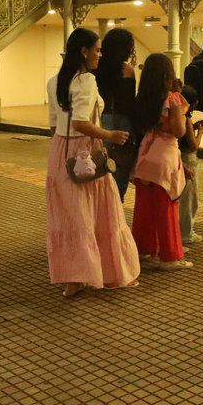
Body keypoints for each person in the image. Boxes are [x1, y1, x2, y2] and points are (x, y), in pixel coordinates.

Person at [46, 28, 140, 297]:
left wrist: (64, 147)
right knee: (102, 213)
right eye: (97, 50)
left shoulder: (54, 81)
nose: (100, 54)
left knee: (70, 215)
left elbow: (53, 124)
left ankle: (73, 278)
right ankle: (111, 274)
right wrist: (110, 135)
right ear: (84, 51)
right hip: (85, 151)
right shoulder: (86, 80)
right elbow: (80, 123)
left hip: (60, 151)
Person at [131, 55, 192, 270]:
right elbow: (179, 131)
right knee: (167, 208)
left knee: (144, 209)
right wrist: (182, 115)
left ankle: (142, 249)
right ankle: (170, 256)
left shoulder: (143, 98)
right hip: (165, 155)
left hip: (145, 155)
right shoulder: (173, 98)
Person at [94, 28, 137, 201]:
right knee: (120, 168)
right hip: (122, 123)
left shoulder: (95, 68)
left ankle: (100, 205)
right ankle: (116, 204)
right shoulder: (127, 70)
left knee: (99, 167)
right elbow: (129, 103)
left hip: (100, 121)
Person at [178, 85, 203, 245]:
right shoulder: (186, 119)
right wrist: (200, 132)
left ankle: (182, 231)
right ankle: (186, 232)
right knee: (189, 199)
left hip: (180, 158)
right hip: (189, 159)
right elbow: (194, 145)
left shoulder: (178, 117)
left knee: (182, 198)